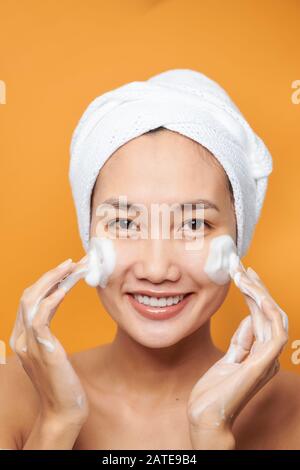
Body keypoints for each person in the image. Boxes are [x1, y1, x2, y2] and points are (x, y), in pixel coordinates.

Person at [1, 70, 300, 450]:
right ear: (89, 236)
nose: (157, 270)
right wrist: (57, 423)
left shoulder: (294, 411)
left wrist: (211, 436)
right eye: (125, 223)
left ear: (237, 238)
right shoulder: (9, 396)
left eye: (194, 224)